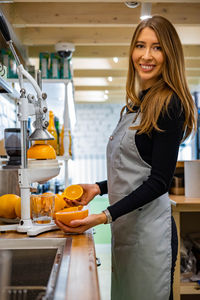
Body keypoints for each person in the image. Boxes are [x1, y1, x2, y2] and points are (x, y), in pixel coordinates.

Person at [55, 15, 197, 300]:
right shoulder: (136, 105)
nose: (146, 56)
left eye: (157, 47)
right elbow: (133, 171)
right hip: (127, 233)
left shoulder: (171, 104)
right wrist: (99, 187)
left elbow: (158, 181)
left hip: (150, 236)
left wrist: (104, 216)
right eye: (140, 46)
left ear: (169, 54)